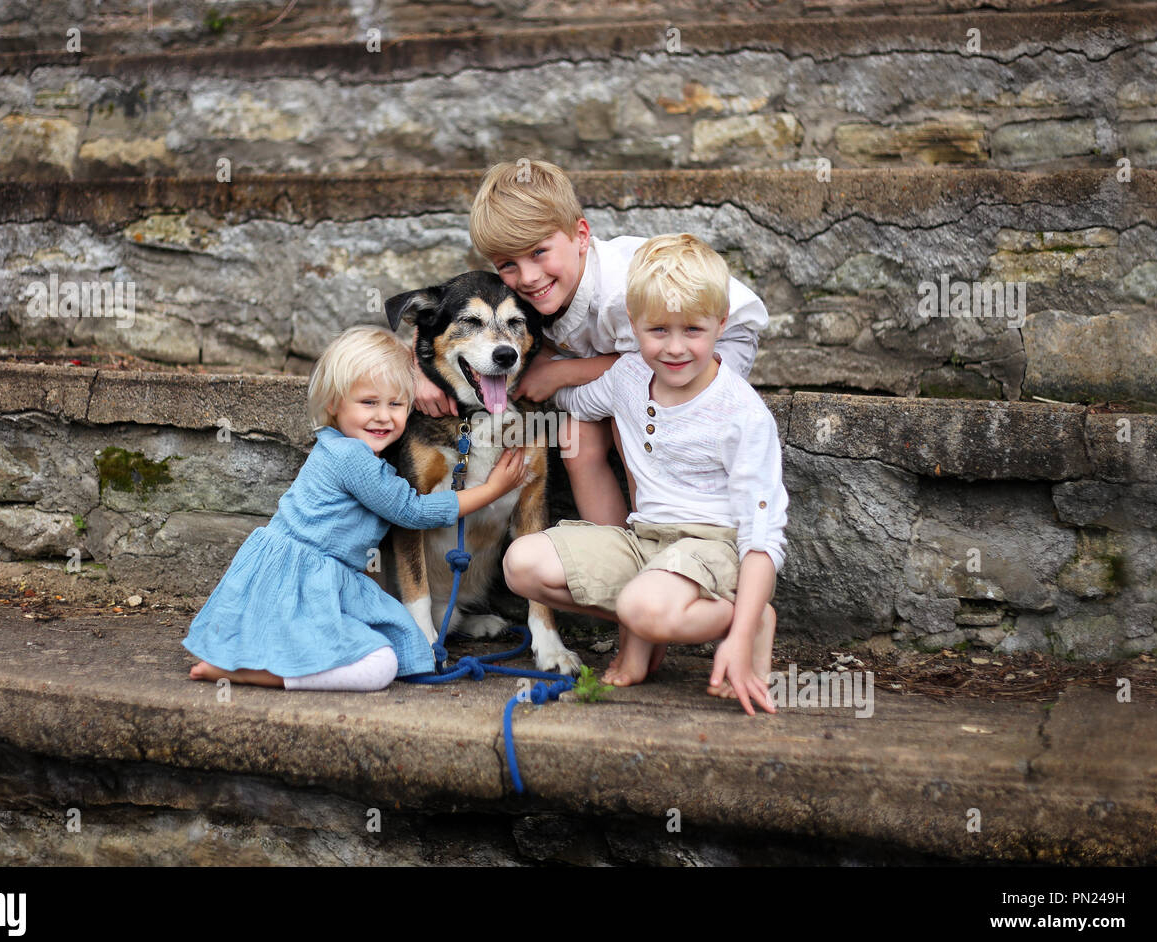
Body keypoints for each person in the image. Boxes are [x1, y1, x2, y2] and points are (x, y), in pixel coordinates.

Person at [502, 235, 787, 715]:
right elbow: (575, 402)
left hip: (711, 548)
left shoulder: (742, 412)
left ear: (721, 325)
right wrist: (523, 379)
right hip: (645, 541)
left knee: (641, 606)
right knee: (521, 564)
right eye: (657, 331)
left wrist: (737, 635)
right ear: (632, 327)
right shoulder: (629, 376)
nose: (675, 349)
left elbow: (763, 537)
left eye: (693, 330)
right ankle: (642, 624)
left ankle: (749, 621)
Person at [413, 158, 769, 528]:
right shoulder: (532, 292)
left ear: (581, 236)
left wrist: (561, 373)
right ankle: (614, 542)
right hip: (622, 354)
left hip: (706, 340)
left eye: (538, 252)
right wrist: (418, 370)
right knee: (573, 436)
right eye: (507, 265)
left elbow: (650, 360)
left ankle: (655, 529)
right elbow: (443, 311)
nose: (529, 277)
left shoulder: (620, 292)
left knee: (630, 408)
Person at [183, 326, 531, 692]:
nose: (383, 416)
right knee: (380, 666)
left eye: (396, 404)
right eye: (369, 403)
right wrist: (492, 489)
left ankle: (251, 661)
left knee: (393, 642)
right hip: (307, 582)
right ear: (334, 404)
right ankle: (247, 673)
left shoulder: (347, 450)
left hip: (322, 578)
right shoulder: (352, 460)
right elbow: (412, 511)